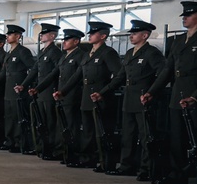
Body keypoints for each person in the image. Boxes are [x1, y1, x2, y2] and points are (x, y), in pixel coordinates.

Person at [143, 1, 197, 184]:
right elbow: (168, 70)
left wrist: (196, 96)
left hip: (196, 96)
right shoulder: (178, 41)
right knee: (176, 138)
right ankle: (177, 173)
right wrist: (152, 91)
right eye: (183, 15)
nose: (184, 18)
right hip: (177, 96)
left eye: (188, 15)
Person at [60, 21, 121, 172]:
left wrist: (104, 92)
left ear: (103, 36)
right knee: (88, 130)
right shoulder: (88, 54)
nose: (90, 35)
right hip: (87, 97)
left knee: (102, 131)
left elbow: (119, 75)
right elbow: (77, 76)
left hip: (101, 97)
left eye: (93, 33)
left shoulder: (108, 53)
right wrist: (63, 91)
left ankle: (106, 162)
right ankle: (88, 159)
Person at [108, 21, 165, 179]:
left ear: (145, 35)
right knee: (128, 135)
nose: (131, 36)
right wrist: (103, 92)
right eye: (131, 34)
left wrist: (150, 92)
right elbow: (120, 76)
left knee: (145, 135)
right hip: (129, 98)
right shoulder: (129, 53)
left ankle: (146, 169)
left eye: (135, 33)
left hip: (143, 98)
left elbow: (162, 74)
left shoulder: (151, 53)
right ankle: (127, 166)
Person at [17, 23, 62, 159]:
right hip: (41, 92)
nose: (41, 35)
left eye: (45, 33)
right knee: (41, 122)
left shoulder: (55, 52)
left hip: (49, 91)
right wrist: (23, 85)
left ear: (52, 36)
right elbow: (34, 71)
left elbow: (55, 73)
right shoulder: (43, 51)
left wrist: (38, 88)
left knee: (50, 123)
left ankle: (53, 150)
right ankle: (43, 148)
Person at [50, 29, 89, 166]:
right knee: (62, 126)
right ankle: (62, 151)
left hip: (72, 96)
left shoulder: (81, 56)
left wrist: (64, 91)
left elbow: (76, 78)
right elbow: (55, 74)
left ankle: (71, 153)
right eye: (64, 39)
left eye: (67, 40)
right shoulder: (64, 56)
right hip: (62, 95)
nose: (63, 42)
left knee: (71, 126)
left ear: (76, 41)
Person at [0, 24, 34, 153]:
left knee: (18, 117)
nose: (8, 36)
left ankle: (19, 142)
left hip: (18, 88)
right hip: (8, 88)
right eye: (8, 34)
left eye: (10, 34)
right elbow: (3, 73)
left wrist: (24, 84)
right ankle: (10, 140)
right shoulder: (9, 53)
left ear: (17, 36)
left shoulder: (23, 51)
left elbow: (33, 69)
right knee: (9, 116)